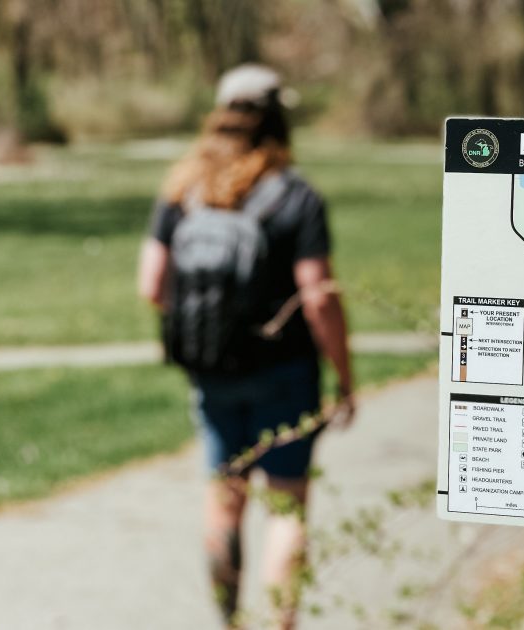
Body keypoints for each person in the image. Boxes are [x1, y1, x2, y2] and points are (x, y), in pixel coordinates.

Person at [136, 64, 354, 629]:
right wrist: (345, 377)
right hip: (286, 372)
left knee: (224, 500)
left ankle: (228, 621)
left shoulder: (184, 189)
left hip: (212, 374)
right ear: (279, 120)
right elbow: (318, 298)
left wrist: (209, 324)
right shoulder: (295, 197)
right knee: (285, 508)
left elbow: (150, 285)